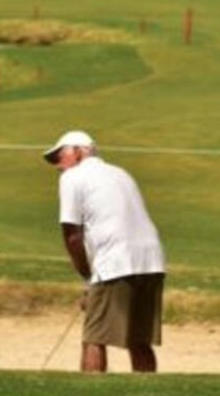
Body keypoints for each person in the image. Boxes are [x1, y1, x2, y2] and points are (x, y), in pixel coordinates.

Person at [43, 130, 166, 373]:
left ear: (79, 152)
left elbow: (72, 235)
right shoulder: (121, 173)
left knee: (94, 338)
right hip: (152, 261)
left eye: (60, 156)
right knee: (139, 340)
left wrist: (87, 277)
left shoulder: (72, 178)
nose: (57, 165)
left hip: (116, 262)